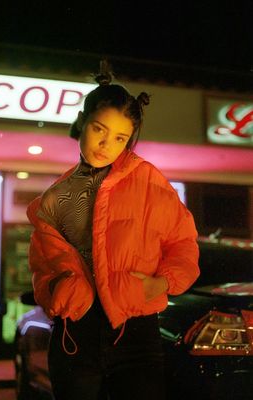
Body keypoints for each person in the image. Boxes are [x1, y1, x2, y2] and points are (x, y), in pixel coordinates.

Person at [26, 60, 200, 400]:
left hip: (136, 333)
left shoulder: (149, 182)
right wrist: (58, 294)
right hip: (74, 338)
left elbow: (183, 242)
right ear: (82, 123)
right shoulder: (54, 199)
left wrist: (163, 281)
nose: (107, 144)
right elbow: (41, 267)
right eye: (99, 129)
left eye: (120, 137)